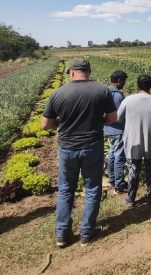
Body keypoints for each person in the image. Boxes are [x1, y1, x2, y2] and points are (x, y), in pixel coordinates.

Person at [42, 58, 117, 248]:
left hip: (67, 148)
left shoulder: (58, 93)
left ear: (71, 72)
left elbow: (46, 124)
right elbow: (112, 119)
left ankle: (62, 235)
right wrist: (96, 119)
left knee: (66, 189)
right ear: (89, 72)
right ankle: (86, 232)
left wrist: (62, 121)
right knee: (92, 189)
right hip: (92, 145)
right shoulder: (102, 90)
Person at [117, 75, 151, 208]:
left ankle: (131, 198)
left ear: (137, 86)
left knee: (133, 169)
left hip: (133, 140)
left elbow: (119, 118)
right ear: (150, 86)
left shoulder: (128, 100)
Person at [104, 70, 128, 195]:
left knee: (112, 153)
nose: (124, 83)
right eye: (124, 81)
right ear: (119, 81)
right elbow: (119, 115)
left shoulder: (105, 92)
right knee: (119, 156)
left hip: (108, 128)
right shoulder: (118, 96)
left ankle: (112, 179)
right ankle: (119, 184)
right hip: (118, 129)